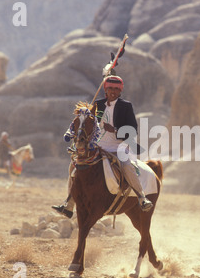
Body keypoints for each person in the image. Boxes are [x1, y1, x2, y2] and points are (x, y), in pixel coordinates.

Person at [52, 75, 153, 218]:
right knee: (74, 166)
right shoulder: (97, 105)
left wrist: (115, 130)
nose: (113, 91)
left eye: (116, 89)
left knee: (126, 166)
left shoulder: (126, 106)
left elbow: (132, 130)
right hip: (98, 146)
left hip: (119, 146)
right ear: (105, 89)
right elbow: (88, 123)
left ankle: (142, 198)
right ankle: (69, 204)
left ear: (120, 91)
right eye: (110, 88)